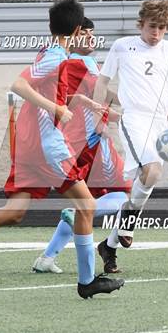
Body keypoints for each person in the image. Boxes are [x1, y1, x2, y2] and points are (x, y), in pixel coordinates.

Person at [0, 0, 124, 299]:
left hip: (31, 146)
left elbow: (52, 93)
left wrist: (83, 104)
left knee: (15, 212)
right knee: (87, 205)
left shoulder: (57, 55)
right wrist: (56, 108)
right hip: (46, 147)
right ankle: (86, 281)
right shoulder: (56, 55)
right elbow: (19, 85)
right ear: (78, 29)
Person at [92, 0, 168, 273]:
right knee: (151, 171)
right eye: (152, 27)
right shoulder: (122, 47)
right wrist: (97, 117)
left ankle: (110, 245)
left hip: (160, 123)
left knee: (150, 175)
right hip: (133, 119)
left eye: (162, 28)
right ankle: (129, 222)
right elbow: (102, 82)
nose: (157, 33)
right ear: (141, 24)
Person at [32, 17, 132, 274]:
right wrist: (138, 111)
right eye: (84, 32)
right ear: (71, 34)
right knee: (126, 194)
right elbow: (104, 97)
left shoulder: (75, 60)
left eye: (92, 32)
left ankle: (47, 257)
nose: (90, 37)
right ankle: (107, 250)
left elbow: (96, 99)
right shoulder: (78, 62)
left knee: (88, 203)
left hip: (81, 142)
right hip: (88, 144)